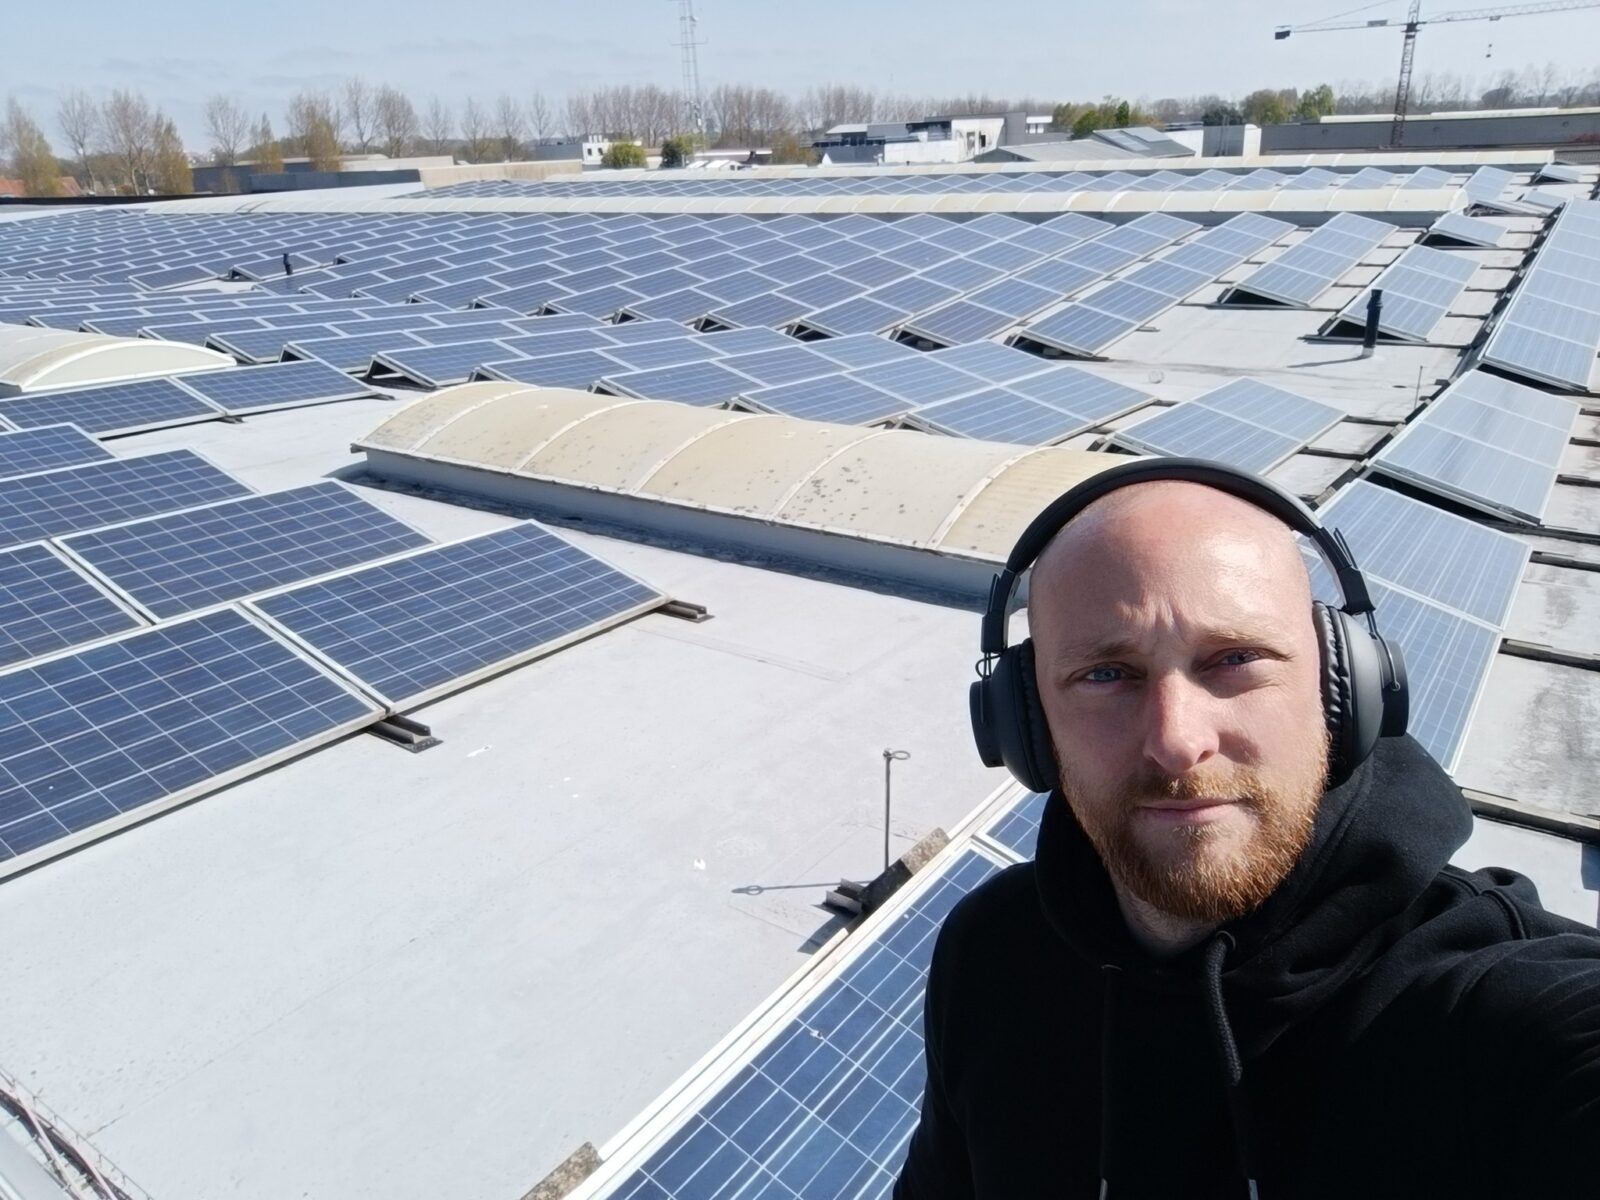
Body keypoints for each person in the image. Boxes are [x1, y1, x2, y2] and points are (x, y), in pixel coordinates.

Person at [894, 459, 1600, 1199]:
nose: (1176, 741)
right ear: (1024, 724)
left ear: (1346, 691)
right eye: (1106, 674)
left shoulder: (1493, 1017)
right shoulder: (992, 954)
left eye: (1235, 659)